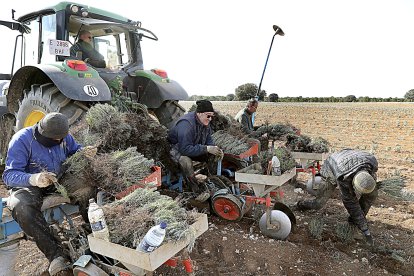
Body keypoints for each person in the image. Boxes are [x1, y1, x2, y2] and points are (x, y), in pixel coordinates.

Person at [2, 113, 95, 276]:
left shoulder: (64, 136)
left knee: (88, 186)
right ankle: (55, 256)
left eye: (61, 139)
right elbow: (9, 175)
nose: (59, 142)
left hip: (58, 179)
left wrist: (83, 152)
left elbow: (74, 151)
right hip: (30, 184)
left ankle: (93, 235)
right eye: (55, 140)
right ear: (42, 133)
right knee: (21, 207)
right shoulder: (22, 140)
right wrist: (34, 178)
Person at [297, 149, 378, 245]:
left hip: (353, 158)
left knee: (371, 195)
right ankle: (300, 204)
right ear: (353, 183)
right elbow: (351, 203)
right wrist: (366, 231)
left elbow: (370, 185)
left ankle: (353, 222)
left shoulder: (372, 163)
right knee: (319, 203)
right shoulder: (344, 178)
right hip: (333, 165)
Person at [168, 100, 223, 193]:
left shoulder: (205, 123)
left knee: (213, 154)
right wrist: (206, 148)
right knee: (185, 161)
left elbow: (209, 141)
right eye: (208, 116)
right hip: (175, 150)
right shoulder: (186, 124)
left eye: (211, 116)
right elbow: (184, 149)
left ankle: (210, 180)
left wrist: (215, 149)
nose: (210, 119)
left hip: (191, 147)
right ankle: (194, 189)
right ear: (199, 113)